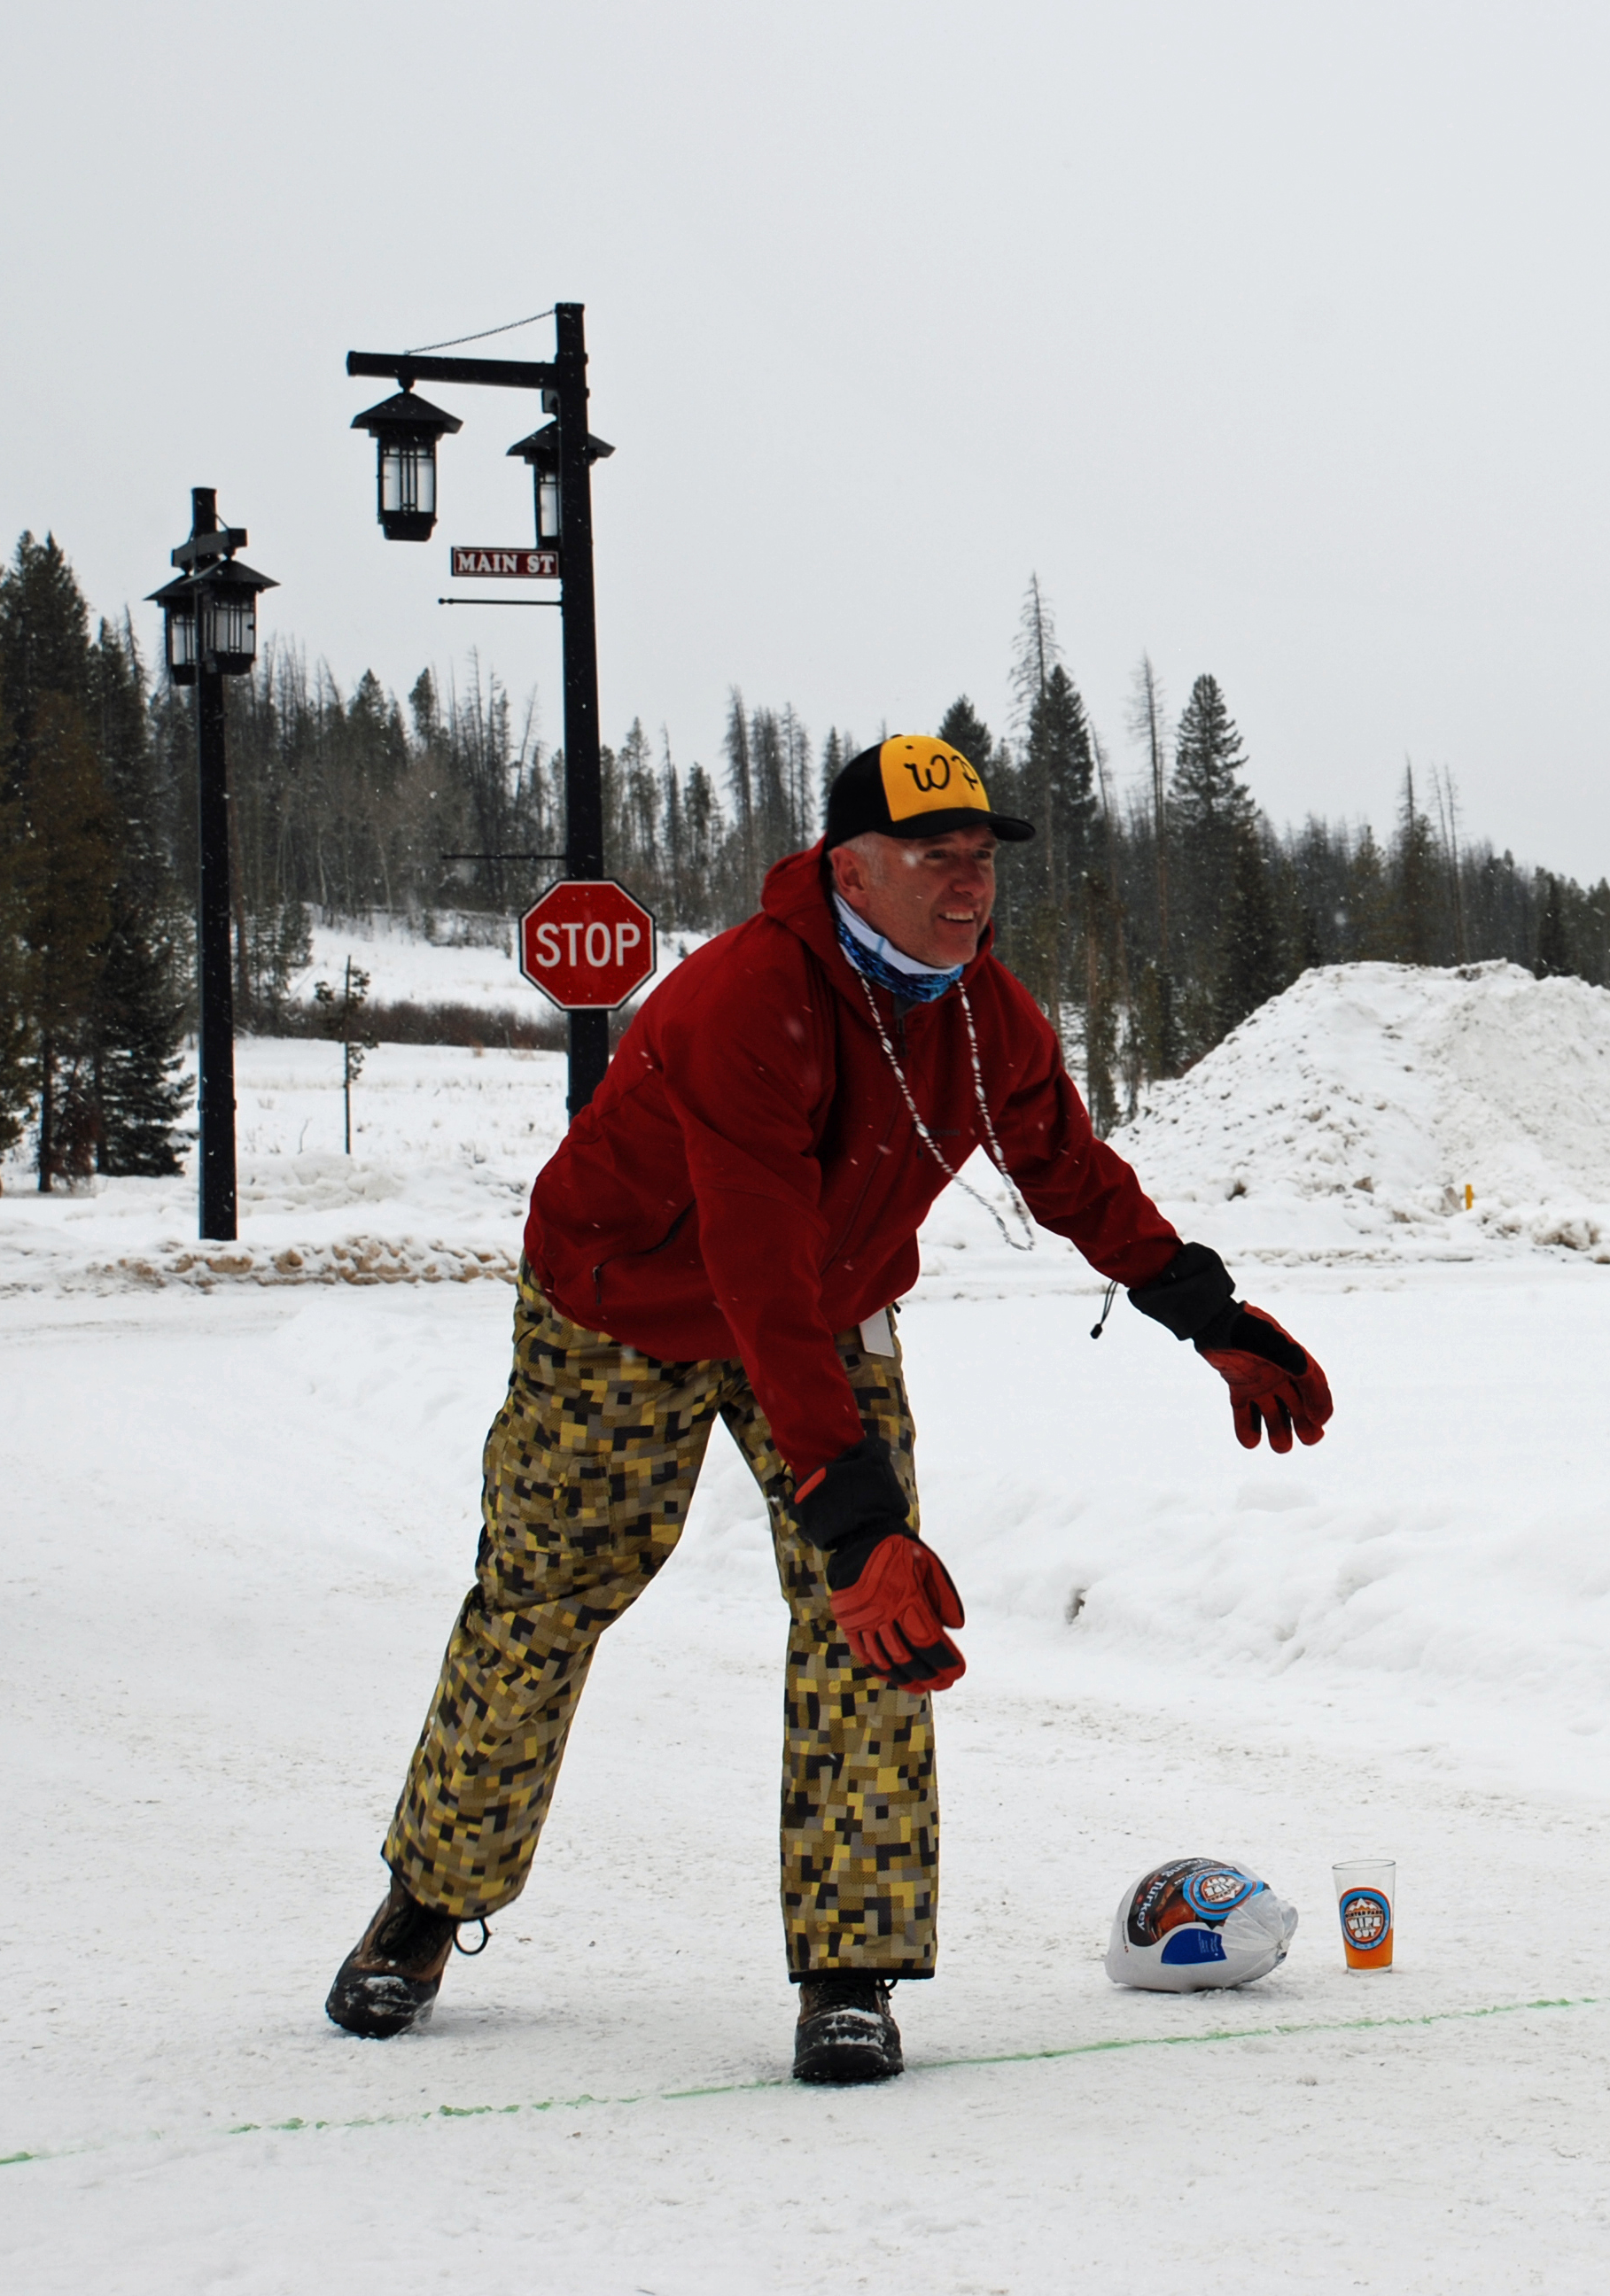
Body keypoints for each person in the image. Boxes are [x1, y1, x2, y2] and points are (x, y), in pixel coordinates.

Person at [323, 734, 1333, 2083]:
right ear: (849, 869)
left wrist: (1204, 1311)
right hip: (622, 1306)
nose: (967, 887)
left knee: (883, 1617)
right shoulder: (745, 1000)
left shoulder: (986, 1014)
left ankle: (850, 1971)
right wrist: (850, 1517)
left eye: (981, 861)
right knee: (544, 1598)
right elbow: (755, 1268)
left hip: (826, 1301)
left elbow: (1069, 1168)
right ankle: (428, 1903)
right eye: (935, 860)